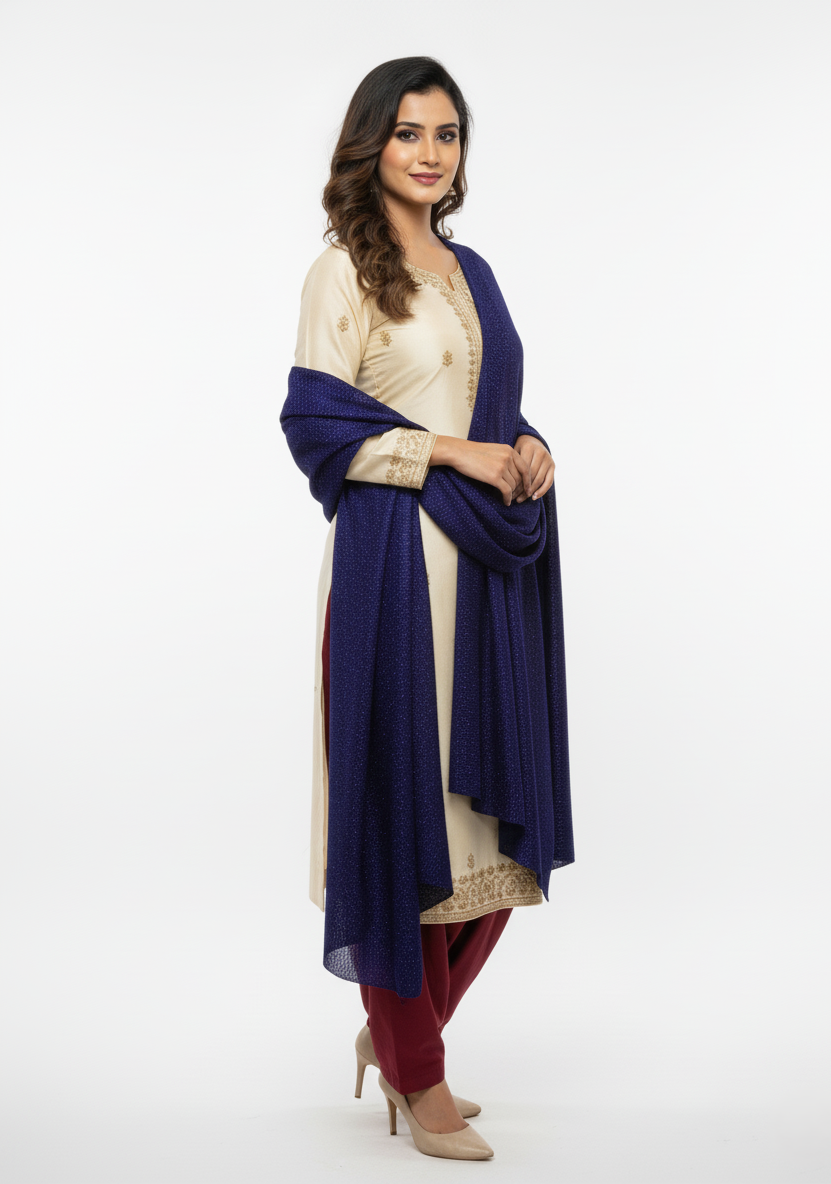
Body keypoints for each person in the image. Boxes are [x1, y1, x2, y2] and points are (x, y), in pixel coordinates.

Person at [280, 56, 574, 1161]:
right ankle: (419, 1073)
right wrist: (453, 453)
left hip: (484, 578)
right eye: (409, 132)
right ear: (373, 142)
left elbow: (488, 406)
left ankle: (397, 1038)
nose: (430, 152)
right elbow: (317, 425)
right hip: (394, 573)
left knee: (492, 830)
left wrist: (528, 446)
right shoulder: (343, 272)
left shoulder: (471, 270)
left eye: (447, 133)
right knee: (403, 817)